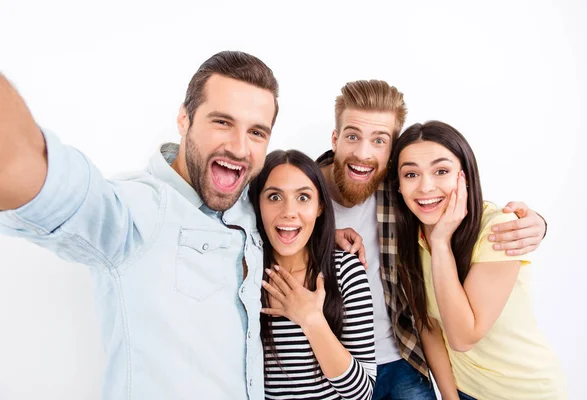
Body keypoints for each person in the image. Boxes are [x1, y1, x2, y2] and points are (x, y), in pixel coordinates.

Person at [0, 51, 363, 400]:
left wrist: (331, 231)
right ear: (183, 119)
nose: (239, 147)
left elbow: (298, 197)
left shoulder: (248, 205)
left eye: (256, 132)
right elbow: (47, 180)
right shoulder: (137, 212)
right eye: (222, 122)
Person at [316, 80, 549, 399]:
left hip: (402, 361)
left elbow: (459, 204)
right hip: (330, 367)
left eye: (379, 140)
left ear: (391, 149)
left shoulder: (403, 195)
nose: (363, 153)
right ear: (335, 138)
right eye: (353, 136)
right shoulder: (298, 195)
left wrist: (538, 223)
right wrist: (326, 236)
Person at [388, 120, 566, 400]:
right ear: (398, 186)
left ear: (465, 176)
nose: (425, 186)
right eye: (411, 174)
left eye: (441, 171)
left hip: (526, 391)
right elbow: (428, 325)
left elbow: (462, 337)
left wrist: (441, 242)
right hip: (464, 390)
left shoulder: (498, 229)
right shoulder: (410, 239)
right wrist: (450, 397)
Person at [249, 150, 376, 399]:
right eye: (274, 196)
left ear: (319, 207)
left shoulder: (345, 273)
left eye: (303, 197)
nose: (289, 211)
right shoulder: (247, 276)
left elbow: (362, 393)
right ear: (257, 204)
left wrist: (311, 320)